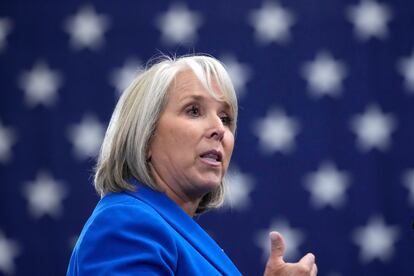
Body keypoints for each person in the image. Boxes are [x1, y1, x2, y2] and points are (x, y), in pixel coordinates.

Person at [67, 54, 318, 275]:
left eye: (225, 118)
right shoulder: (125, 225)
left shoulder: (169, 229)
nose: (219, 129)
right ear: (145, 135)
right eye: (194, 111)